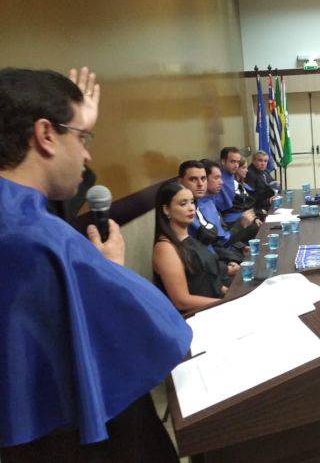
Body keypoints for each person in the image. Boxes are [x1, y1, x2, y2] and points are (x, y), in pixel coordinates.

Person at [0, 67, 191, 461]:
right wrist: (112, 269)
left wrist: (78, 125)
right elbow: (165, 330)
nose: (87, 154)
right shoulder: (44, 240)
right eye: (83, 138)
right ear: (46, 135)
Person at [152, 181, 228, 312]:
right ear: (166, 209)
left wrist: (231, 293)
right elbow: (182, 301)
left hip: (216, 304)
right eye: (183, 204)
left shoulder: (189, 238)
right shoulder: (165, 248)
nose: (191, 208)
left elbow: (210, 280)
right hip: (198, 315)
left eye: (192, 202)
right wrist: (225, 303)